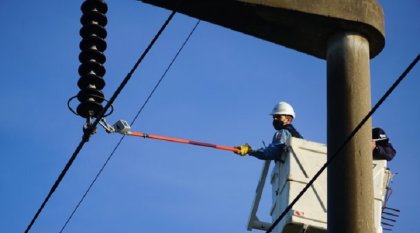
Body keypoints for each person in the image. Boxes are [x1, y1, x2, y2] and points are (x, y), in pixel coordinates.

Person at [234, 101, 303, 160]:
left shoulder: (282, 132)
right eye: (274, 117)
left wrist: (250, 151)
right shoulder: (299, 137)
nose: (275, 119)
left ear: (288, 119)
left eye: (278, 116)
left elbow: (271, 153)